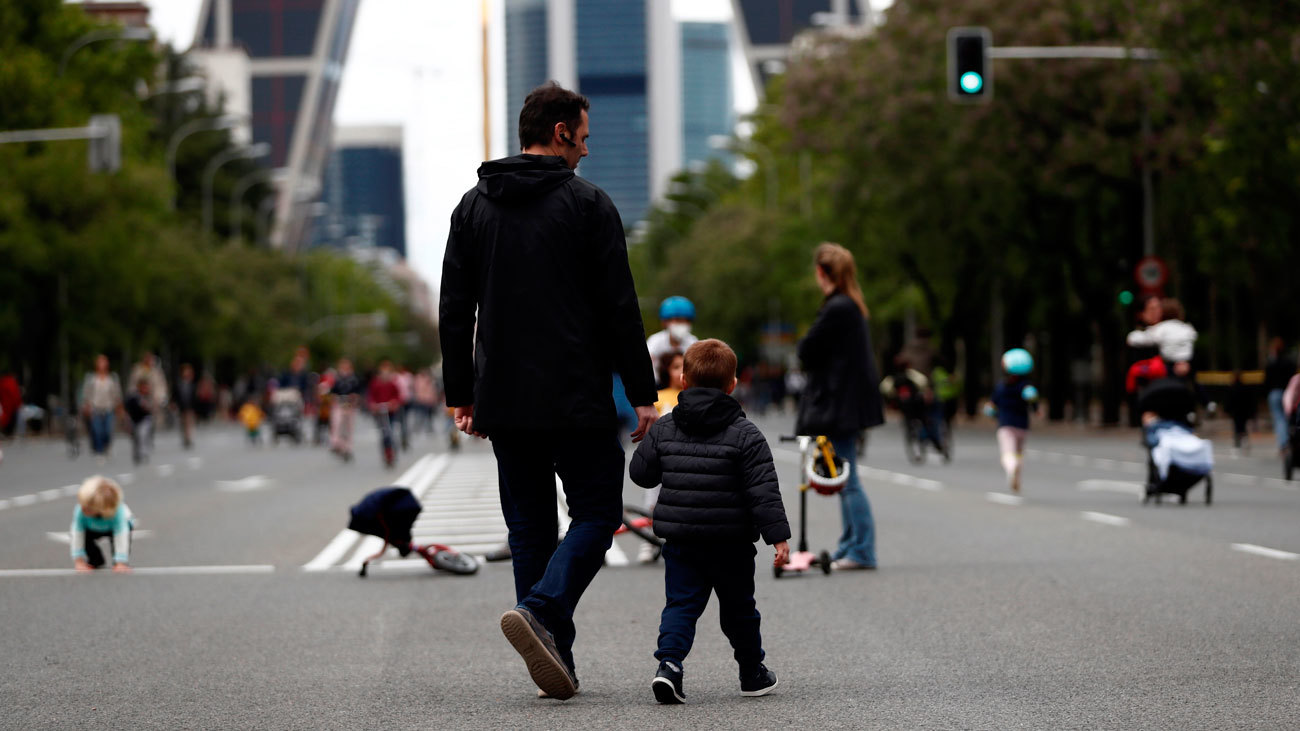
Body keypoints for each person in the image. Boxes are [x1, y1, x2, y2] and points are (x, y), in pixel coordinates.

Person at [439, 81, 658, 701]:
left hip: (504, 396)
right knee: (597, 513)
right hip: (576, 392)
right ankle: (542, 611)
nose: (587, 151)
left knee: (530, 527)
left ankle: (552, 651)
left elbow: (454, 308)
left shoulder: (472, 207)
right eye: (584, 138)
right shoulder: (588, 204)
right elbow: (619, 306)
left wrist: (463, 390)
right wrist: (643, 392)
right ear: (561, 132)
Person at [628, 339, 789, 703]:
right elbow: (763, 492)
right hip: (732, 543)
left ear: (683, 380)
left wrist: (653, 443)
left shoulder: (665, 428)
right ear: (732, 385)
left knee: (681, 606)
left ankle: (669, 666)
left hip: (682, 542)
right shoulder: (747, 434)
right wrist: (778, 538)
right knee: (739, 610)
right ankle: (752, 673)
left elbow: (641, 475)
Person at [794, 243, 884, 571]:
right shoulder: (850, 306)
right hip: (846, 403)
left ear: (822, 272)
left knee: (847, 480)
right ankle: (850, 544)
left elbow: (807, 349)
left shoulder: (838, 308)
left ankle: (861, 550)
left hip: (839, 405)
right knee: (844, 476)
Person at [636, 350, 686, 564]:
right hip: (663, 460)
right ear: (666, 372)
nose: (682, 372)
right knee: (654, 501)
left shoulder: (692, 396)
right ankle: (650, 540)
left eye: (685, 367)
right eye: (676, 367)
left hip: (686, 460)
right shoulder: (659, 397)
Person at [986, 348, 1040, 493]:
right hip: (1022, 426)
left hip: (1005, 425)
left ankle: (1011, 469)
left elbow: (991, 407)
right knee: (1019, 453)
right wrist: (1036, 410)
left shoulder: (1001, 387)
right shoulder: (1027, 387)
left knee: (1007, 454)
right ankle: (1017, 470)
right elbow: (1034, 402)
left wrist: (992, 415)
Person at [70, 476, 135, 572]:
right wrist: (78, 561)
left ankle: (118, 561)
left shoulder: (118, 513)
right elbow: (77, 534)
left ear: (101, 508)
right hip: (91, 527)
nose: (82, 508)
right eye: (81, 503)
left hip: (115, 527)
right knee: (86, 540)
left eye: (87, 507)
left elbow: (121, 534)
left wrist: (120, 562)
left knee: (121, 537)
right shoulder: (80, 510)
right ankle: (96, 560)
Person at [1126, 297, 1197, 374]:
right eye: (1152, 309)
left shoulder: (1161, 329)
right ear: (1141, 314)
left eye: (1159, 308)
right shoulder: (1145, 334)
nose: (1157, 312)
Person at [80, 354, 124, 460]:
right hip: (95, 408)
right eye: (100, 362)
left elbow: (117, 395)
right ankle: (99, 451)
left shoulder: (112, 378)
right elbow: (86, 394)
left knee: (108, 431)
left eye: (104, 362)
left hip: (108, 408)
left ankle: (107, 446)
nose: (102, 364)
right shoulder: (92, 378)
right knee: (98, 431)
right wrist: (86, 407)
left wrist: (120, 408)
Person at [646, 297, 698, 384]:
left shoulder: (693, 342)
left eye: (685, 320)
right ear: (665, 322)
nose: (681, 324)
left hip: (684, 385)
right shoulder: (655, 341)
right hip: (657, 385)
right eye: (677, 320)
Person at [367, 359, 402, 467]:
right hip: (380, 412)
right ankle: (386, 451)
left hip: (390, 412)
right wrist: (373, 405)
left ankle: (393, 450)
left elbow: (397, 396)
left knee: (391, 431)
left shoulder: (392, 384)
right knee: (383, 433)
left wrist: (394, 403)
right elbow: (371, 396)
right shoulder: (375, 383)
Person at [1264, 338, 1296, 456]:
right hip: (1288, 393)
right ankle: (1289, 442)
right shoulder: (1289, 362)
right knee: (1288, 419)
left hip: (1275, 393)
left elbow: (1266, 381)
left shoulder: (1271, 363)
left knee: (1279, 420)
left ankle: (1284, 444)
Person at [330, 358, 363, 461]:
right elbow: (333, 391)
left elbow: (358, 391)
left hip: (350, 405)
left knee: (348, 427)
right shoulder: (337, 378)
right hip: (339, 404)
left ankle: (347, 447)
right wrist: (334, 398)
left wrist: (354, 398)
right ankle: (336, 443)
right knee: (337, 423)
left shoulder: (354, 379)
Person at [124, 379, 155, 464]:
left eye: (147, 387)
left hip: (145, 420)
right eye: (143, 387)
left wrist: (146, 406)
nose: (145, 389)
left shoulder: (149, 396)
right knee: (135, 438)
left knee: (143, 435)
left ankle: (144, 453)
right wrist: (127, 421)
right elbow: (127, 408)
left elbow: (151, 409)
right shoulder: (133, 397)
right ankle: (136, 454)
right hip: (134, 420)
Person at [1225, 370, 1256, 451]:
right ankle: (1243, 441)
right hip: (1244, 412)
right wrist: (1252, 412)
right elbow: (1251, 401)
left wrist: (1227, 410)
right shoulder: (1245, 388)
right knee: (1243, 427)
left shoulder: (1232, 388)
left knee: (1237, 427)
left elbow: (1229, 401)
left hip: (1236, 412)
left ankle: (1238, 443)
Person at [175, 363, 198, 449]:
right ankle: (185, 438)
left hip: (190, 407)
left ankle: (189, 438)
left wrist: (196, 409)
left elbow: (195, 398)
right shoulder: (179, 384)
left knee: (190, 423)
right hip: (181, 407)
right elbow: (176, 395)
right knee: (183, 423)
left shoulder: (192, 385)